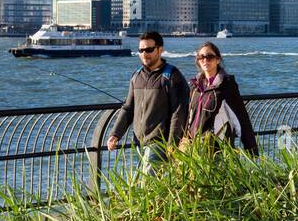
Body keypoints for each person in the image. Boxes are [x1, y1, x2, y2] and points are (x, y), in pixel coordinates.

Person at [107, 31, 190, 173]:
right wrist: (115, 134)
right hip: (139, 142)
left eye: (149, 49)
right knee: (148, 184)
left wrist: (172, 143)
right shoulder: (137, 76)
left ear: (160, 50)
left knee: (147, 183)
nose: (145, 54)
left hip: (160, 142)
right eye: (141, 50)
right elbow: (128, 108)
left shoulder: (171, 76)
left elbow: (179, 112)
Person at [184, 42, 259, 156]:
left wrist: (252, 151)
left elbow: (241, 117)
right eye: (201, 57)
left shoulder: (226, 85)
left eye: (209, 57)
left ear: (217, 60)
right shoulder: (195, 86)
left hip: (218, 149)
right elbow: (189, 116)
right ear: (198, 61)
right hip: (194, 149)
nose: (205, 60)